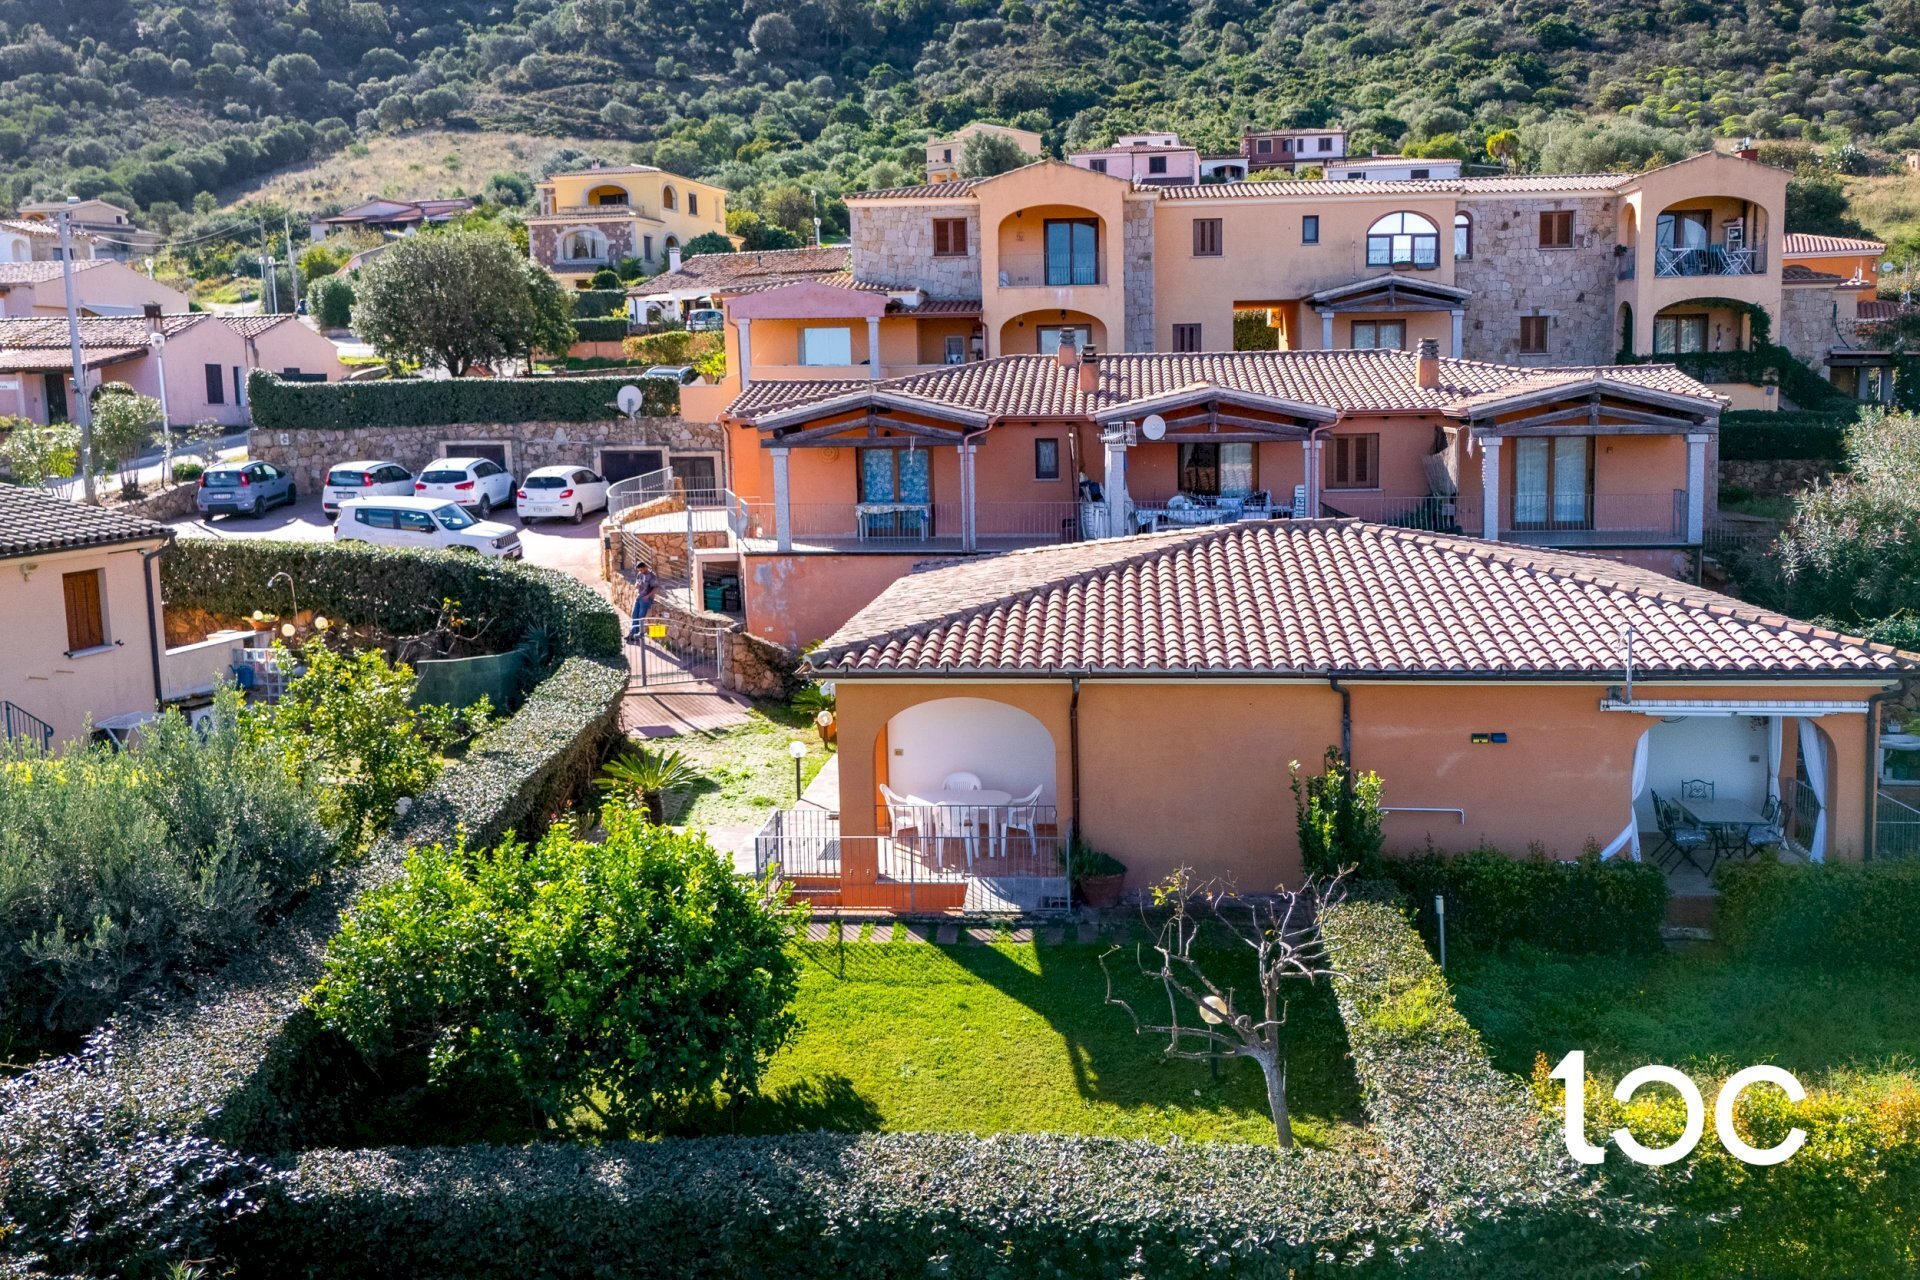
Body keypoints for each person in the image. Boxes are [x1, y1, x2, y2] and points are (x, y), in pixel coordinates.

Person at [627, 566, 659, 641]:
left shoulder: (652, 576)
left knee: (640, 616)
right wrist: (636, 585)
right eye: (639, 570)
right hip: (639, 597)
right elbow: (636, 584)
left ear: (645, 568)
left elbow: (655, 588)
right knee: (634, 614)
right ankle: (632, 634)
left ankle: (636, 634)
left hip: (646, 599)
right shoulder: (639, 574)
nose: (640, 571)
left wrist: (647, 596)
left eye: (641, 569)